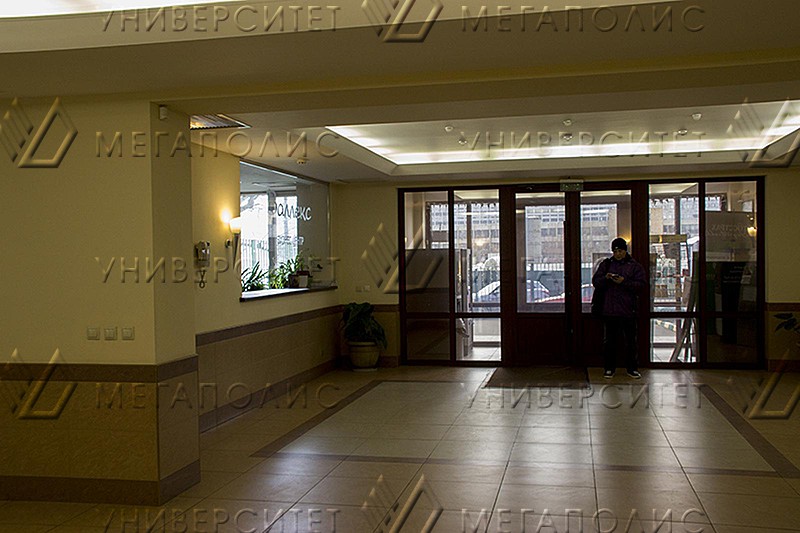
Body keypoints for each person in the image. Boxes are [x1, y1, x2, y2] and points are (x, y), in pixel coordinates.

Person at [592, 237, 647, 379]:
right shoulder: (606, 264)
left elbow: (641, 285)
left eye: (620, 251)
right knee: (610, 341)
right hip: (609, 309)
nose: (617, 254)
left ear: (625, 251)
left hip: (628, 310)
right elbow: (596, 281)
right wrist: (606, 278)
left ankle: (632, 368)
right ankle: (609, 368)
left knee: (631, 341)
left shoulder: (634, 266)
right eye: (615, 251)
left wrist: (624, 282)